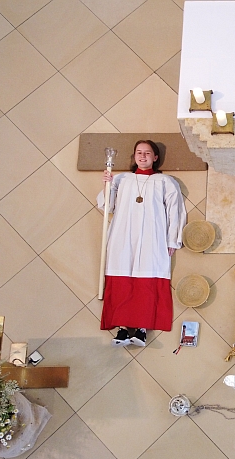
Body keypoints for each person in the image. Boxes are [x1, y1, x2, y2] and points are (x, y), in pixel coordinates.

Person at [97, 140, 187, 347]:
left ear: (155, 157)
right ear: (134, 156)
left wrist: (172, 239)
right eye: (139, 152)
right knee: (121, 277)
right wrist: (107, 185)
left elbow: (175, 211)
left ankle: (141, 329)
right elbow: (107, 205)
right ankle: (121, 328)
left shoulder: (165, 181)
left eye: (147, 153)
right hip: (123, 234)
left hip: (152, 237)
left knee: (147, 279)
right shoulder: (122, 179)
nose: (143, 156)